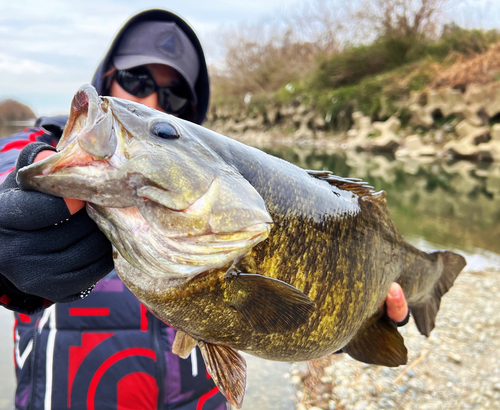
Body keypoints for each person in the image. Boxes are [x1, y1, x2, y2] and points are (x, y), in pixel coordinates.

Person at [0, 8, 409, 410]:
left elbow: (295, 317)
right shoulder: (40, 146)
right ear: (106, 77)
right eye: (136, 79)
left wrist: (360, 320)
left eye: (175, 94)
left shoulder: (232, 183)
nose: (155, 101)